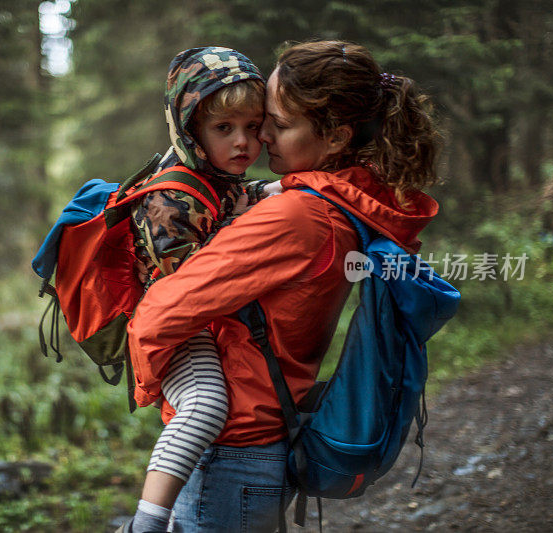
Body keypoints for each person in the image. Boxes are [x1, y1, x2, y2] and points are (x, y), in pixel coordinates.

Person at [127, 40, 441, 532]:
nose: (262, 137)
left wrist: (160, 387)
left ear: (336, 137)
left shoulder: (297, 214)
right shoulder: (346, 203)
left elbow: (159, 313)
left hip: (231, 447)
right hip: (265, 437)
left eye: (276, 123)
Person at [122, 47, 281, 533]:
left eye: (253, 127)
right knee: (206, 404)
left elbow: (242, 193)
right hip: (174, 324)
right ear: (190, 130)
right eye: (224, 128)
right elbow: (189, 287)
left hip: (197, 318)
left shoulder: (215, 176)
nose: (243, 143)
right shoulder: (170, 198)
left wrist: (285, 191)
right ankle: (146, 522)